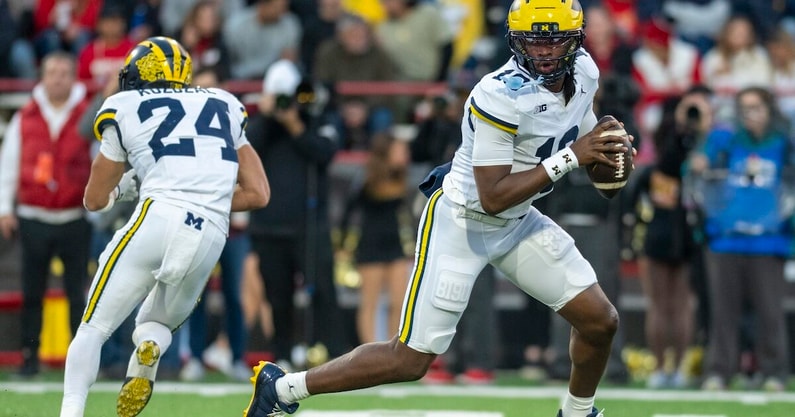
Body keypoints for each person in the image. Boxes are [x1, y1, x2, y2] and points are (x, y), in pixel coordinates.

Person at [244, 2, 629, 417]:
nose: (545, 52)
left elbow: (586, 143)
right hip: (464, 220)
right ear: (515, 41)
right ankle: (282, 389)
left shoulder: (586, 72)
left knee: (599, 320)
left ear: (576, 41)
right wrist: (573, 156)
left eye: (555, 41)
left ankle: (577, 413)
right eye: (534, 41)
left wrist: (608, 152)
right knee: (409, 359)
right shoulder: (499, 93)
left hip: (518, 221)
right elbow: (493, 196)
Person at [58, 36, 270, 417]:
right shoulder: (223, 102)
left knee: (94, 327)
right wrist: (204, 198)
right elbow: (258, 193)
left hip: (158, 215)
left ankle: (71, 411)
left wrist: (127, 190)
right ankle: (149, 349)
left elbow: (94, 198)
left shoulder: (124, 105)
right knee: (157, 323)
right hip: (210, 229)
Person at [690, 86, 793, 392]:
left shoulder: (784, 144)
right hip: (727, 238)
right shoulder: (724, 141)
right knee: (723, 313)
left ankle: (774, 372)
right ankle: (719, 372)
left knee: (771, 312)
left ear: (770, 110)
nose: (751, 115)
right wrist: (700, 156)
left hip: (768, 239)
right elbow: (696, 169)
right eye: (745, 108)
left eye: (757, 107)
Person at [246, 59, 347, 369]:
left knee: (323, 290)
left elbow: (325, 153)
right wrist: (266, 116)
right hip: (269, 226)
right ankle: (283, 354)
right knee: (277, 295)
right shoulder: (261, 126)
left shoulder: (317, 117)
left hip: (308, 223)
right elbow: (246, 150)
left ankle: (334, 352)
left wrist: (295, 125)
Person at [0, 51, 93, 377]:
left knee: (77, 294)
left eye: (63, 72)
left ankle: (79, 364)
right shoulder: (26, 116)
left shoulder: (87, 115)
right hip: (32, 215)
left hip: (74, 216)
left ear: (73, 77)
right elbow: (9, 161)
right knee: (32, 292)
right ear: (42, 75)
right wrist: (4, 208)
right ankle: (29, 359)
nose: (57, 78)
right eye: (51, 71)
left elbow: (101, 161)